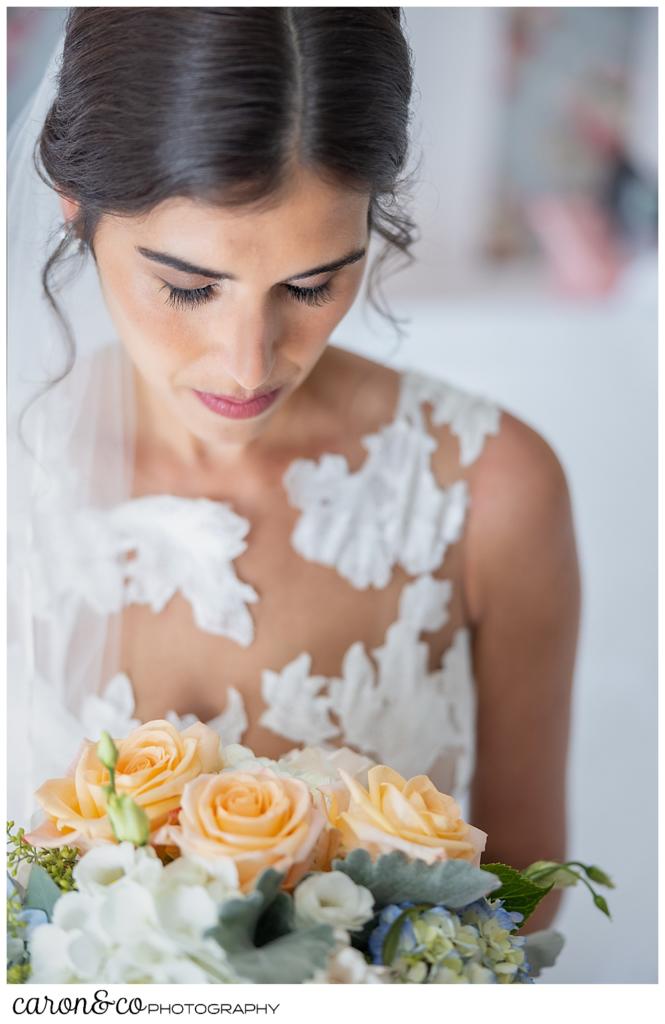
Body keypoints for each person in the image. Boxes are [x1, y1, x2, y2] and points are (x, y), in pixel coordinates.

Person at [7, 8, 580, 933]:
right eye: (189, 286)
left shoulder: (488, 487)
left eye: (312, 285)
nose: (249, 362)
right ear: (75, 202)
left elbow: (525, 894)